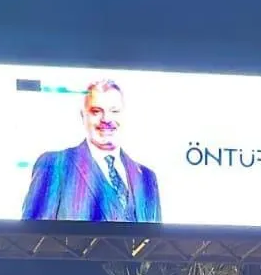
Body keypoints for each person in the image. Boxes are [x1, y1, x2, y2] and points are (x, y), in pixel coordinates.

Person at [21, 79, 161, 224]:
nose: (106, 119)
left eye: (114, 111)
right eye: (96, 111)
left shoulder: (147, 178)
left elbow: (158, 245)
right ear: (83, 116)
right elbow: (32, 239)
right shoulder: (55, 165)